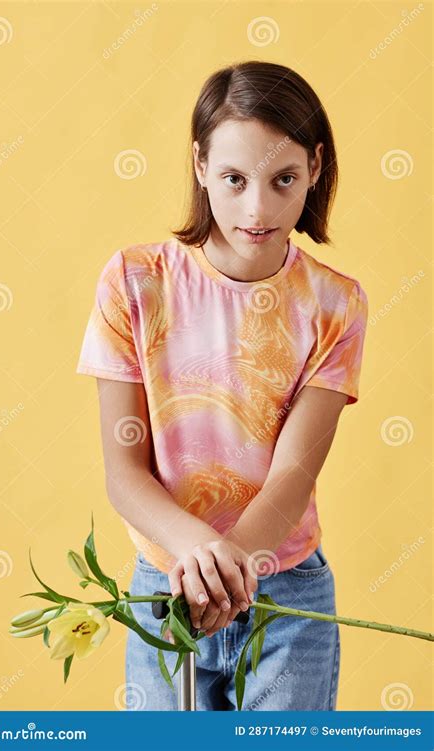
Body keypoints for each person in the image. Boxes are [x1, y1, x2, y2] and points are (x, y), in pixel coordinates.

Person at [76, 60, 368, 711]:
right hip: (164, 588)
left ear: (315, 168)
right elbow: (124, 470)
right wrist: (199, 549)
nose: (258, 208)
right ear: (201, 164)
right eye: (234, 179)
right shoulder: (133, 282)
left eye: (283, 179)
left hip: (289, 600)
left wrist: (233, 560)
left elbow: (294, 472)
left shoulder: (335, 304)